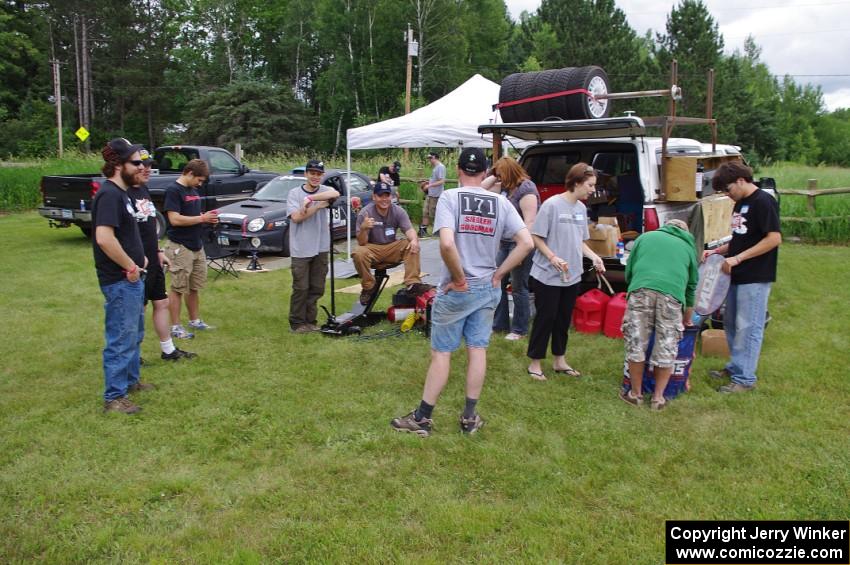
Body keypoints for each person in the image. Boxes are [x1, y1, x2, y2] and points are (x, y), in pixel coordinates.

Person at [391, 148, 533, 437]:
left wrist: (458, 278)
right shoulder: (502, 202)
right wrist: (499, 273)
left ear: (457, 170)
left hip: (458, 289)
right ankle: (469, 418)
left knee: (442, 353)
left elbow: (445, 244)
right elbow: (526, 243)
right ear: (486, 172)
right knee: (477, 350)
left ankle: (422, 418)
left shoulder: (449, 197)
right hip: (486, 286)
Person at [705, 162, 781, 393]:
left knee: (749, 327)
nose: (728, 195)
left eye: (728, 190)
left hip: (755, 276)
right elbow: (741, 239)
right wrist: (717, 252)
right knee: (730, 323)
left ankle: (745, 379)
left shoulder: (764, 202)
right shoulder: (740, 203)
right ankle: (736, 366)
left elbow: (774, 238)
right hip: (736, 275)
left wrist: (738, 259)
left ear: (741, 180)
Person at [526, 162, 605, 381]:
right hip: (547, 275)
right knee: (546, 318)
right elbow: (536, 236)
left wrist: (594, 257)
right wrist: (552, 257)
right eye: (590, 185)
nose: (592, 189)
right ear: (577, 182)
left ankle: (559, 360)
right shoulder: (551, 205)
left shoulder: (580, 209)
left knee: (563, 319)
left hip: (571, 275)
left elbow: (580, 241)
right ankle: (535, 363)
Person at [91, 138, 149, 414]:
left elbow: (125, 233)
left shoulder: (123, 193)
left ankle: (131, 381)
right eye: (136, 162)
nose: (142, 166)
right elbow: (104, 238)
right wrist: (130, 266)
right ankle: (114, 397)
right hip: (120, 280)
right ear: (118, 164)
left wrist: (142, 257)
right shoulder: (110, 195)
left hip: (133, 278)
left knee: (134, 334)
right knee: (121, 338)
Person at [619, 219, 698, 410]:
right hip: (672, 298)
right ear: (685, 232)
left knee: (637, 343)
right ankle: (658, 399)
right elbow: (691, 288)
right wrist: (687, 318)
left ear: (665, 226)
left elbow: (629, 270)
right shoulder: (689, 248)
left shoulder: (645, 237)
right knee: (666, 346)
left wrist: (635, 289)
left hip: (642, 290)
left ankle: (635, 394)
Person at [128, 150, 196, 362]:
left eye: (149, 165)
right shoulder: (124, 193)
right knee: (138, 308)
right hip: (135, 262)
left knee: (161, 303)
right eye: (142, 165)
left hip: (153, 259)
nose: (146, 169)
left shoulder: (144, 190)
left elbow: (149, 228)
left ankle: (168, 350)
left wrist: (158, 251)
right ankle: (132, 354)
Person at [482, 156, 540, 340]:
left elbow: (530, 222)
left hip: (520, 244)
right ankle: (499, 325)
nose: (499, 179)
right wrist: (492, 174)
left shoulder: (526, 189)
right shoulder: (506, 187)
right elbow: (479, 189)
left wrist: (522, 250)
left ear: (510, 173)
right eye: (498, 175)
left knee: (518, 286)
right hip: (505, 243)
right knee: (496, 280)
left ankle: (519, 329)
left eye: (501, 175)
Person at [163, 159, 219, 339]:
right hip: (180, 246)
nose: (200, 184)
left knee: (194, 286)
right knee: (178, 287)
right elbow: (175, 219)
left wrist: (206, 218)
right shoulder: (174, 190)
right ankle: (175, 326)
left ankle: (194, 320)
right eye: (199, 180)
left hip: (197, 245)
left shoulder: (193, 191)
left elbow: (194, 217)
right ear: (189, 173)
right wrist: (202, 219)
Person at [286, 159, 340, 333]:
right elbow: (296, 217)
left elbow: (336, 194)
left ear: (322, 175)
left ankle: (310, 321)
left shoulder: (324, 190)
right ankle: (297, 323)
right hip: (301, 248)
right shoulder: (294, 194)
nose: (315, 177)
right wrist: (318, 206)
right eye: (312, 173)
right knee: (301, 287)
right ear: (306, 174)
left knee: (317, 287)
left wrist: (310, 199)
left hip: (321, 246)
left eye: (318, 174)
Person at [352, 181, 427, 305]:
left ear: (391, 197)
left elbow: (409, 230)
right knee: (358, 252)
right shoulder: (365, 213)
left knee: (411, 244)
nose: (384, 199)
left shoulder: (398, 211)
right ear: (374, 197)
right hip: (372, 248)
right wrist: (364, 228)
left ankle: (413, 284)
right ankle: (368, 287)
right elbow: (362, 242)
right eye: (380, 196)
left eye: (387, 195)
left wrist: (414, 240)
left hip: (392, 247)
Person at [418, 152, 445, 237]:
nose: (429, 160)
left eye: (430, 158)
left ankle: (438, 230)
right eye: (429, 158)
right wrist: (428, 182)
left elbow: (441, 181)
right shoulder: (435, 168)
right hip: (430, 193)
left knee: (434, 213)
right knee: (425, 212)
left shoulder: (440, 167)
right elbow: (435, 179)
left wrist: (429, 185)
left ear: (435, 157)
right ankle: (423, 230)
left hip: (436, 195)